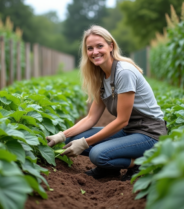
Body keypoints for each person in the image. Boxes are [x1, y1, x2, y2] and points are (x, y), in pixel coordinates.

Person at [46, 25, 167, 181]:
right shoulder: (102, 77)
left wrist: (85, 143)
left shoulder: (124, 72)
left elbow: (122, 120)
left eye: (99, 46)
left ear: (111, 46)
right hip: (130, 130)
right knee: (71, 140)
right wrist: (62, 135)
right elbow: (91, 118)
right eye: (90, 48)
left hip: (149, 134)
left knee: (98, 154)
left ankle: (141, 163)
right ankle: (110, 168)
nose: (94, 52)